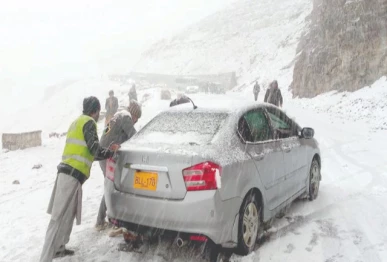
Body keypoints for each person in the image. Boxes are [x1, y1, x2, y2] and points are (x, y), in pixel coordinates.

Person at [40, 97, 120, 262]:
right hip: (70, 175)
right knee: (57, 217)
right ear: (96, 110)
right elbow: (94, 151)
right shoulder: (89, 122)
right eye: (98, 112)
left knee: (68, 214)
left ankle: (60, 248)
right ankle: (45, 257)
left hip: (71, 174)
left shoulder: (76, 122)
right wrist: (111, 152)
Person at [95, 100, 142, 230]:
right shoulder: (126, 116)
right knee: (111, 186)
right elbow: (134, 137)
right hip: (108, 156)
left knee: (110, 185)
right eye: (136, 118)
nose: (136, 121)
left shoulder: (118, 115)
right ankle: (101, 221)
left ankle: (107, 219)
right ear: (133, 114)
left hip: (103, 154)